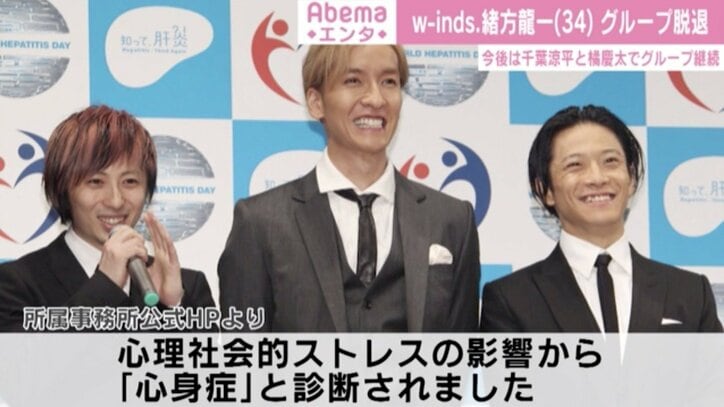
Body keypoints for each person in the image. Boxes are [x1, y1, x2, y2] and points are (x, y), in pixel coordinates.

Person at [218, 45, 480, 332]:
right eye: (353, 81)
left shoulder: (451, 220)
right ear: (316, 102)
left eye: (388, 82)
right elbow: (243, 353)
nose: (376, 99)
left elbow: (461, 352)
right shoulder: (260, 223)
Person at [480, 105, 722, 333]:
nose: (597, 178)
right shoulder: (511, 299)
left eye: (610, 161)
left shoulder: (690, 292)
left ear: (632, 178)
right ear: (545, 190)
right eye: (575, 165)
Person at [0, 105, 215, 331]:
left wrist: (172, 306)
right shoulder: (16, 285)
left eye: (130, 181)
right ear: (62, 189)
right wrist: (106, 284)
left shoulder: (186, 288)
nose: (115, 201)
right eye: (95, 182)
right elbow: (32, 354)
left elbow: (200, 354)